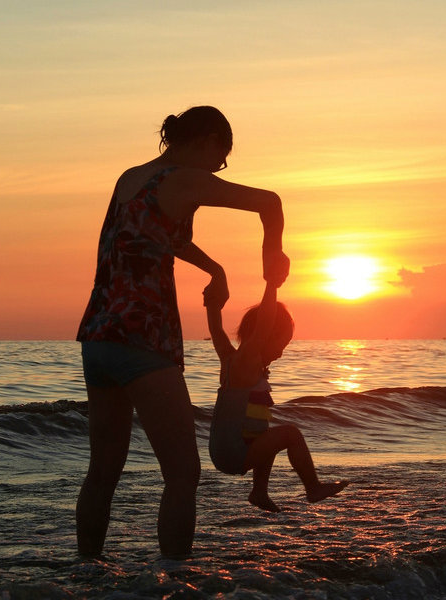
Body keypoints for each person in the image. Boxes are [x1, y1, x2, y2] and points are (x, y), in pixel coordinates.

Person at [75, 106, 290, 559]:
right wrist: (274, 257)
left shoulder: (130, 177)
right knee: (182, 474)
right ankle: (175, 579)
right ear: (209, 140)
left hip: (98, 334)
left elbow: (160, 238)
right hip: (143, 337)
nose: (218, 169)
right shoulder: (186, 176)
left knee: (103, 470)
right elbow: (270, 202)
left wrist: (215, 268)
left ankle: (88, 571)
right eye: (221, 157)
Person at [206, 279, 348, 513]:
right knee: (290, 434)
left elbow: (216, 331)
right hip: (233, 450)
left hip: (222, 449)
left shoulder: (230, 359)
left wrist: (211, 304)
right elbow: (263, 326)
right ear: (264, 337)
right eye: (280, 345)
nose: (281, 354)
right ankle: (312, 487)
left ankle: (259, 492)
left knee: (267, 436)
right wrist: (272, 283)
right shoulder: (246, 360)